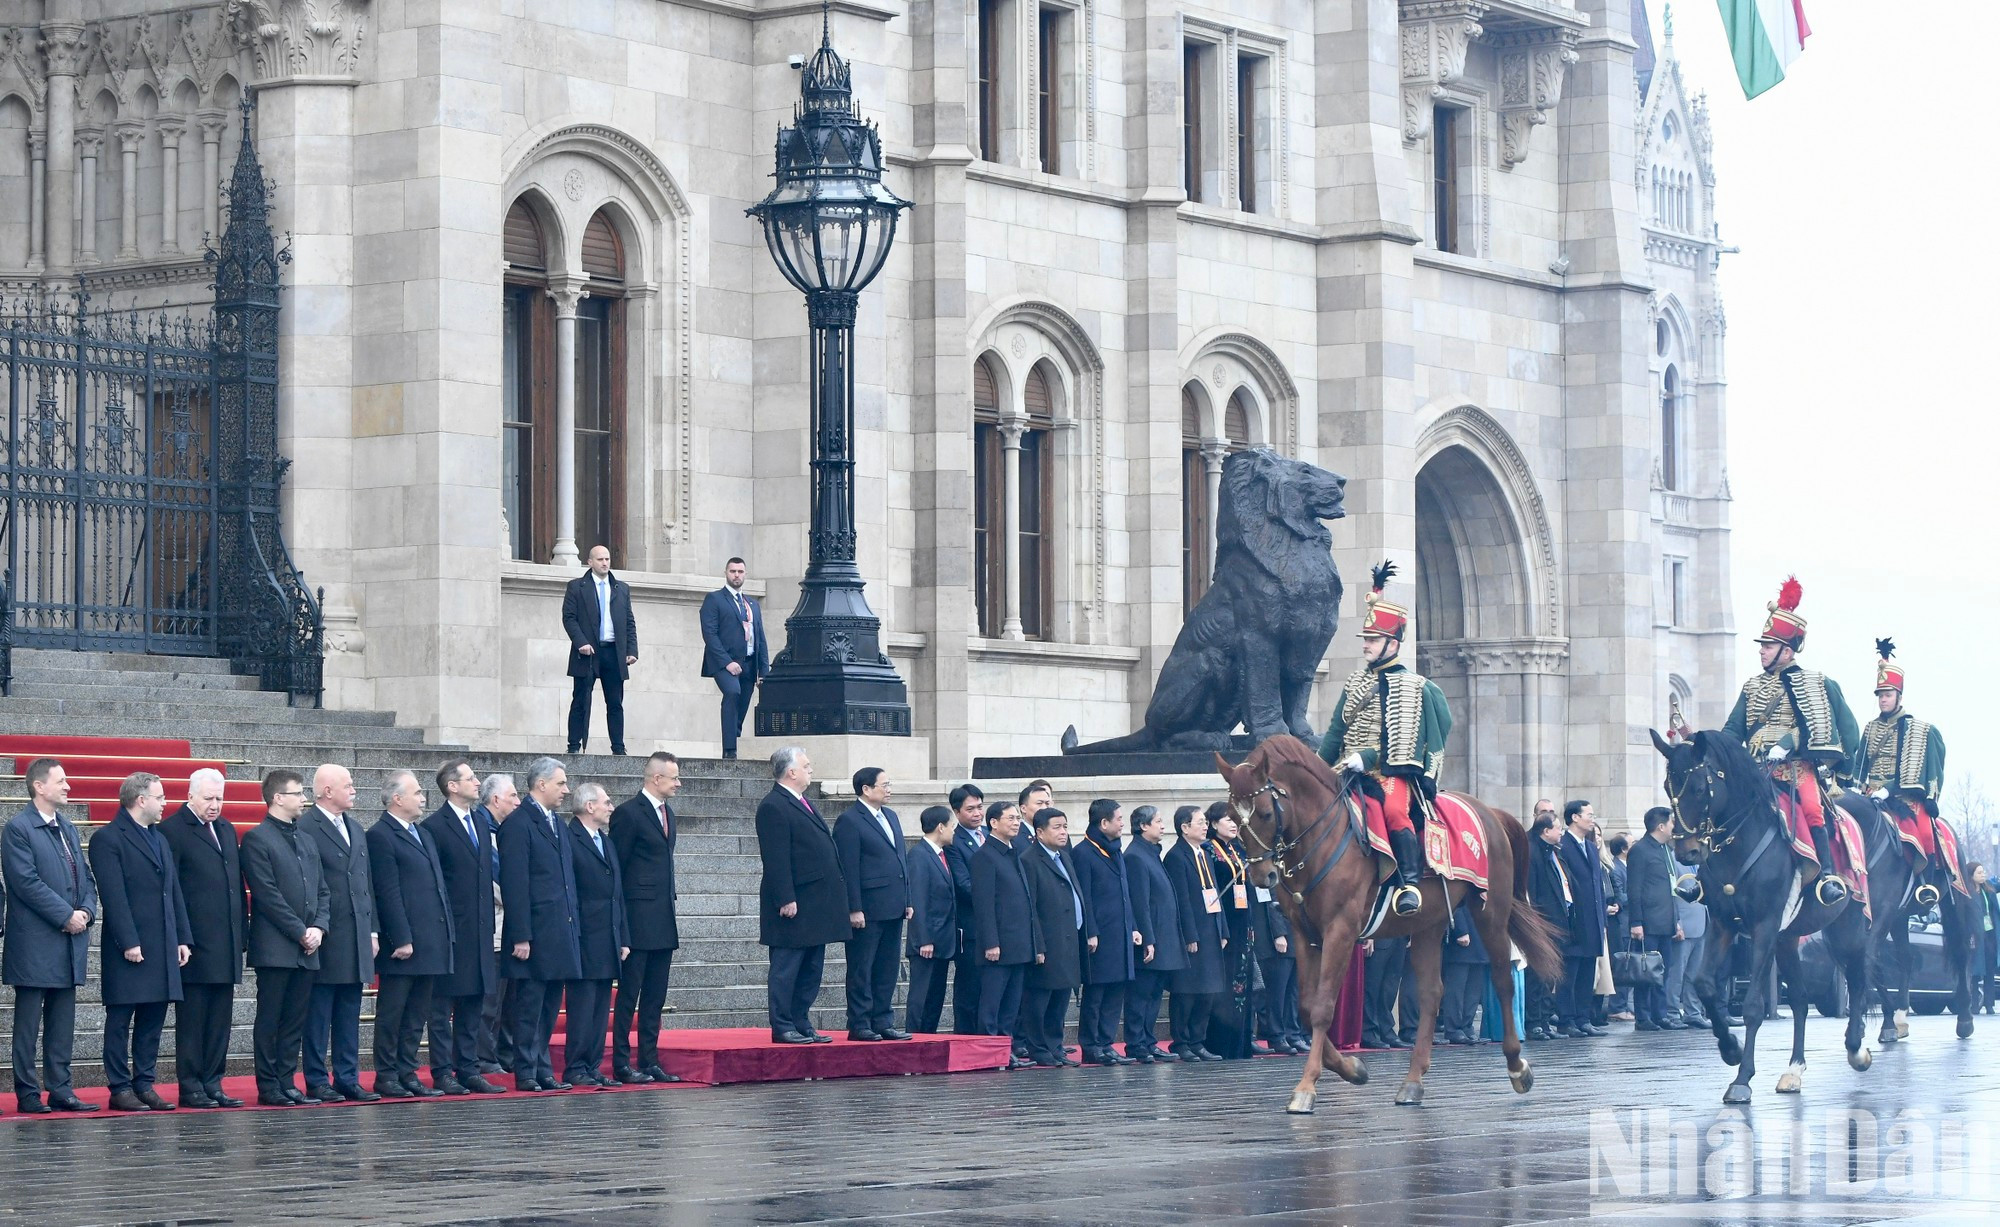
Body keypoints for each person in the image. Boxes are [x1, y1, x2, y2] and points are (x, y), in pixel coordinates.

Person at [1317, 561, 1453, 916]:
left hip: (1391, 773)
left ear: (1392, 643)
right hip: (1348, 770)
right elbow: (1334, 734)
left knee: (1394, 812)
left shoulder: (1420, 688)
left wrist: (1370, 755)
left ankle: (1408, 882)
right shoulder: (1354, 683)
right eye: (1366, 639)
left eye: (1374, 640)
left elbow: (1429, 739)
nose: (1366, 646)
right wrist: (1316, 769)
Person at [1722, 577, 1861, 906]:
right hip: (1756, 771)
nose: (1761, 650)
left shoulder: (1815, 683)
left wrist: (1790, 742)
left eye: (1767, 646)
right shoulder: (1752, 686)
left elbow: (1843, 729)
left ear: (1787, 650)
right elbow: (1733, 730)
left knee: (1813, 810)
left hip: (1796, 768)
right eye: (1761, 645)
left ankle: (1826, 874)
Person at [90, 773, 193, 1112]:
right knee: (120, 1020)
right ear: (140, 800)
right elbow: (114, 896)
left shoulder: (159, 838)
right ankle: (120, 1087)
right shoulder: (108, 839)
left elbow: (173, 891)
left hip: (162, 944)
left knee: (153, 1018)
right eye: (160, 797)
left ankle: (144, 1083)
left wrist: (182, 937)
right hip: (130, 947)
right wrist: (129, 942)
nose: (165, 803)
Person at [4, 757, 100, 1114]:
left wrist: (87, 912)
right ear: (38, 786)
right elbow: (25, 883)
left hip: (68, 941)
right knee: (28, 1023)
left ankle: (61, 1089)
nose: (67, 786)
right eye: (60, 781)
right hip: (35, 944)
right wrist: (65, 915)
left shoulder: (68, 827)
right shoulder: (18, 829)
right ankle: (28, 1093)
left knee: (63, 1021)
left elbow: (86, 878)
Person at [240, 769, 330, 1107]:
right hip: (276, 947)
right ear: (278, 797)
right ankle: (268, 1084)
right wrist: (299, 931)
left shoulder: (306, 839)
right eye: (297, 793)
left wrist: (318, 928)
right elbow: (266, 894)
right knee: (271, 1018)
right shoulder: (257, 839)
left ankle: (286, 1080)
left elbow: (323, 890)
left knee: (295, 1019)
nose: (303, 799)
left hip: (308, 946)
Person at [159, 767, 246, 1108]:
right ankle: (191, 1083)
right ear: (190, 794)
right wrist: (182, 936)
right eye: (208, 798)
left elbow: (235, 885)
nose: (214, 805)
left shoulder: (225, 829)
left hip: (225, 941)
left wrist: (242, 932)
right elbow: (172, 890)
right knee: (194, 1018)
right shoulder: (172, 830)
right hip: (194, 942)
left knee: (220, 1018)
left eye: (219, 798)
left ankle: (214, 1081)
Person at [366, 770, 454, 1098]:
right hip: (403, 944)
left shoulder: (422, 833)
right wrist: (401, 937)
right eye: (417, 792)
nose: (423, 798)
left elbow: (436, 886)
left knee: (417, 1015)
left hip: (431, 940)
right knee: (393, 1014)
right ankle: (387, 1075)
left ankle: (408, 1071)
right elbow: (387, 891)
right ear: (397, 798)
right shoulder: (380, 835)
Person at [500, 757, 583, 1091]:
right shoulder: (519, 824)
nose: (566, 790)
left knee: (549, 1005)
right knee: (529, 1005)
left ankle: (543, 1068)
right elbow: (515, 883)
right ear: (542, 784)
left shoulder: (557, 824)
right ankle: (526, 1070)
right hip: (534, 932)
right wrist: (521, 934)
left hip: (559, 930)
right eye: (560, 783)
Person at [301, 763, 379, 1103]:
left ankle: (348, 1077)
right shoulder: (306, 826)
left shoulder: (355, 827)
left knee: (349, 1011)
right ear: (327, 790)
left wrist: (373, 929)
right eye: (348, 785)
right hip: (328, 936)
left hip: (358, 934)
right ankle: (317, 1079)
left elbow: (366, 884)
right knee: (318, 1015)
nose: (354, 790)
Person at [756, 748, 846, 1044]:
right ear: (790, 772)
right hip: (794, 903)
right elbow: (776, 857)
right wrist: (785, 898)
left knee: (811, 967)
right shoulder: (774, 805)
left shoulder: (802, 801)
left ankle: (801, 1020)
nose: (811, 770)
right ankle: (782, 1025)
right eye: (806, 766)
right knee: (787, 968)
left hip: (816, 903)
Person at [423, 759, 502, 1095]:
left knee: (473, 1003)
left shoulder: (481, 825)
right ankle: (443, 1071)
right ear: (452, 786)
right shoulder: (434, 827)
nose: (477, 781)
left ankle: (469, 1068)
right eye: (470, 778)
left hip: (481, 931)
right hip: (450, 932)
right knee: (442, 1008)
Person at [609, 752, 683, 1083]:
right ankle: (623, 1062)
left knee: (655, 997)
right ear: (656, 779)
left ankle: (650, 1059)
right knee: (628, 997)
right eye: (673, 778)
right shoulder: (628, 814)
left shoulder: (669, 813)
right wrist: (621, 925)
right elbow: (618, 870)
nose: (678, 783)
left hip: (663, 918)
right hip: (637, 920)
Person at [1859, 639, 1951, 906]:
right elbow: (1860, 764)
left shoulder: (1916, 730)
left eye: (1887, 694)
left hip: (1902, 796)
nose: (1883, 700)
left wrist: (1890, 788)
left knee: (1923, 831)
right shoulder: (1870, 728)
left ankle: (1926, 886)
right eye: (1880, 695)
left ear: (1899, 696)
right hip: (1870, 794)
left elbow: (1920, 769)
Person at [834, 767, 913, 1041]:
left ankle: (883, 1019)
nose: (888, 788)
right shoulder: (850, 820)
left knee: (887, 967)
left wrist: (907, 899)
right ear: (866, 789)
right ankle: (859, 1022)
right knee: (862, 967)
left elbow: (901, 859)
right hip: (867, 908)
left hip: (893, 905)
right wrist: (853, 907)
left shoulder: (890, 816)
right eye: (884, 784)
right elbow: (848, 868)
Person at [564, 784, 632, 1087]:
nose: (611, 807)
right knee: (582, 1006)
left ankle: (592, 1065)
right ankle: (576, 1066)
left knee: (600, 1006)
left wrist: (624, 937)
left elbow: (617, 894)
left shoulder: (605, 840)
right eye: (606, 802)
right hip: (584, 936)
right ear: (589, 806)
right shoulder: (569, 838)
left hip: (608, 936)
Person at [971, 801, 1042, 1068]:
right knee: (992, 1003)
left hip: (1019, 943)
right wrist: (991, 942)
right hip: (998, 945)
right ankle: (989, 1053)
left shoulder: (1015, 853)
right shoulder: (984, 856)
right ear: (993, 823)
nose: (1016, 822)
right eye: (1010, 818)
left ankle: (1006, 1050)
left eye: (1016, 818)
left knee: (1011, 1005)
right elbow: (984, 904)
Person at [1021, 807, 1093, 1067]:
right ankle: (1038, 1048)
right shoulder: (1030, 859)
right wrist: (1037, 944)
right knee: (1040, 998)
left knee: (1061, 997)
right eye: (1057, 827)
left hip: (1069, 939)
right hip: (1048, 941)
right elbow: (1030, 908)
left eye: (1065, 826)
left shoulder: (1064, 856)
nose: (1063, 832)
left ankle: (1055, 1046)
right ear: (1039, 832)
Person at [1072, 798, 1139, 1065]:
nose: (1123, 823)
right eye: (1119, 819)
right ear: (1103, 822)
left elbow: (1126, 895)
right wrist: (1091, 931)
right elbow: (1084, 897)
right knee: (1096, 993)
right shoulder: (1084, 852)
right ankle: (1091, 1045)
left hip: (1120, 934)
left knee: (1115, 992)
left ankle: (1106, 1042)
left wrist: (1133, 927)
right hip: (1099, 937)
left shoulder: (1116, 851)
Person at [1163, 805, 1228, 1061]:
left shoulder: (1204, 853)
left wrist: (1222, 928)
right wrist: (1190, 935)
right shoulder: (1177, 857)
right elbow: (1182, 900)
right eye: (1200, 822)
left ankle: (1198, 1040)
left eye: (1205, 822)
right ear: (1184, 828)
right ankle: (1181, 1041)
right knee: (1187, 990)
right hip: (1194, 935)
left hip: (1212, 931)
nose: (1205, 826)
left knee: (1209, 990)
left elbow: (1216, 893)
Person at [1122, 805, 1187, 1062]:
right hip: (1151, 939)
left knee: (1153, 995)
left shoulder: (1151, 853)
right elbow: (1141, 903)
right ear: (1143, 825)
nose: (1162, 826)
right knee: (1141, 995)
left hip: (1164, 938)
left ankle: (1148, 1040)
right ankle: (1136, 1043)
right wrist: (1148, 939)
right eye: (1158, 821)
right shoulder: (1136, 856)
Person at [563, 544, 639, 755]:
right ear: (590, 562)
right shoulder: (576, 587)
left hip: (613, 653)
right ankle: (573, 746)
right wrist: (581, 642)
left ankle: (618, 747)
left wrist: (631, 650)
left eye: (607, 559)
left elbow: (629, 621)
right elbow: (569, 618)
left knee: (615, 702)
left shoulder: (621, 588)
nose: (605, 563)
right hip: (587, 653)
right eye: (600, 559)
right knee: (580, 699)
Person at [1206, 804, 1263, 1057]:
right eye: (1227, 819)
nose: (1233, 823)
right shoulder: (1209, 851)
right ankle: (1223, 1041)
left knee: (1244, 981)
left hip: (1244, 925)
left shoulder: (1237, 849)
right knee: (1227, 983)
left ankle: (1243, 1038)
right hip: (1225, 925)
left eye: (1235, 820)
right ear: (1213, 823)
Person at [699, 558, 768, 759]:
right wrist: (727, 662)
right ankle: (730, 749)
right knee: (732, 692)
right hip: (723, 662)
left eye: (740, 571)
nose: (736, 575)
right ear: (726, 573)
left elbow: (760, 638)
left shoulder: (753, 605)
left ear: (745, 574)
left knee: (744, 701)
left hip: (748, 662)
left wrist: (764, 671)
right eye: (732, 571)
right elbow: (709, 634)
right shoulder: (714, 599)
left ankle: (734, 732)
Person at [475, 773, 521, 1074]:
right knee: (488, 1002)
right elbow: (494, 882)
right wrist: (521, 901)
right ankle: (484, 1059)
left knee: (508, 1003)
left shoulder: (505, 831)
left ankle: (504, 1056)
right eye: (513, 797)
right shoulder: (482, 830)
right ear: (495, 800)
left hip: (509, 929)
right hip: (492, 928)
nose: (518, 802)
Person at [903, 806, 960, 1035]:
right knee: (921, 996)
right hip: (927, 942)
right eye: (952, 827)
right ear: (940, 827)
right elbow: (918, 900)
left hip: (943, 941)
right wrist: (924, 939)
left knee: (935, 997)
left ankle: (929, 1039)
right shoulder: (919, 855)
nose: (954, 832)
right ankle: (916, 1038)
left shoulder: (941, 855)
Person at [1626, 807, 1683, 1032]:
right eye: (1671, 823)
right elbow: (1635, 888)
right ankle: (1643, 1016)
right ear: (1660, 826)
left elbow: (1671, 887)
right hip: (1648, 922)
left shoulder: (1664, 849)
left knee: (1662, 971)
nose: (1673, 827)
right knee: (1646, 972)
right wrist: (1636, 922)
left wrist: (1676, 920)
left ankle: (1660, 1014)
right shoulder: (1640, 850)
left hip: (1665, 921)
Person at [1556, 801, 1608, 1038]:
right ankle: (1566, 1019)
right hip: (1574, 921)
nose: (1592, 819)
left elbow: (1597, 885)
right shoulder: (1563, 845)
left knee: (1588, 971)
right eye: (1589, 814)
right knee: (1570, 972)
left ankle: (1583, 1018)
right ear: (1574, 818)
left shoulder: (1590, 846)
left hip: (1594, 920)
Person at [1524, 813, 1573, 1040]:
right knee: (1536, 975)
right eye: (1558, 828)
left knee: (1549, 976)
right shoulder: (1532, 851)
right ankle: (1534, 1021)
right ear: (1545, 831)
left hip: (1556, 921)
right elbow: (1532, 890)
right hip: (1541, 922)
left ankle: (1544, 1020)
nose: (1561, 832)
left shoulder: (1553, 852)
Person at [945, 783, 988, 1031]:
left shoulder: (991, 836)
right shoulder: (954, 841)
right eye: (970, 809)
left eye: (980, 807)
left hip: (997, 927)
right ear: (956, 812)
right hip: (970, 927)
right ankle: (965, 1037)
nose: (977, 813)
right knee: (969, 988)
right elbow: (963, 884)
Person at [1671, 839, 1709, 1027]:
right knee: (1676, 972)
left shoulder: (1700, 862)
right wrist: (1676, 922)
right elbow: (1671, 893)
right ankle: (1671, 1011)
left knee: (1694, 972)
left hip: (1702, 922)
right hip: (1683, 924)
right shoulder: (1672, 860)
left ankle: (1693, 1012)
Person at [1440, 898, 1488, 1044]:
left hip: (1481, 935)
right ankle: (1453, 1029)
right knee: (1456, 988)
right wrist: (1460, 929)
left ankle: (1467, 1026)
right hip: (1463, 935)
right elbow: (1454, 900)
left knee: (1474, 988)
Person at [1972, 864, 2000, 1013]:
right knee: (1975, 971)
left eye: (1984, 872)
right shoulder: (1968, 892)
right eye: (1979, 873)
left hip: (1989, 934)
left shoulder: (1988, 888)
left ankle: (1989, 1004)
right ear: (1972, 875)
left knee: (1989, 969)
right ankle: (1974, 1004)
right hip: (1974, 935)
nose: (1983, 875)